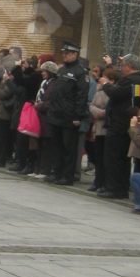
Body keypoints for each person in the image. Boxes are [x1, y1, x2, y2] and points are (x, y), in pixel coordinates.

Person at [99, 54, 140, 199]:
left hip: (119, 123)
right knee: (123, 159)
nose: (122, 69)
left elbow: (116, 93)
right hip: (126, 123)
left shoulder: (131, 81)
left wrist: (106, 84)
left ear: (129, 66)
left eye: (123, 66)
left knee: (114, 157)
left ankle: (114, 188)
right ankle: (121, 187)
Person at [44, 41, 88, 185]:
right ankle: (56, 172)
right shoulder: (61, 70)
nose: (64, 55)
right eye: (63, 53)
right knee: (56, 147)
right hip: (56, 114)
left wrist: (77, 116)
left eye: (67, 53)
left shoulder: (80, 72)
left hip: (69, 117)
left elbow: (82, 96)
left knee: (69, 148)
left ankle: (67, 176)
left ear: (75, 54)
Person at [88, 67, 115, 191]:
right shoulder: (98, 91)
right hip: (97, 127)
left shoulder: (111, 92)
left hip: (106, 127)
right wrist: (95, 111)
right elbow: (92, 105)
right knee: (98, 155)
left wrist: (102, 113)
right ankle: (97, 181)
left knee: (105, 157)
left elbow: (109, 109)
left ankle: (104, 182)